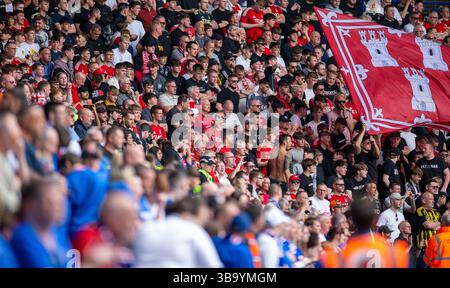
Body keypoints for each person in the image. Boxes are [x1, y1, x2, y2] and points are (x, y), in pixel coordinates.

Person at [133, 197, 223, 268]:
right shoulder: (194, 231)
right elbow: (213, 265)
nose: (201, 224)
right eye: (201, 221)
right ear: (188, 215)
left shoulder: (146, 228)